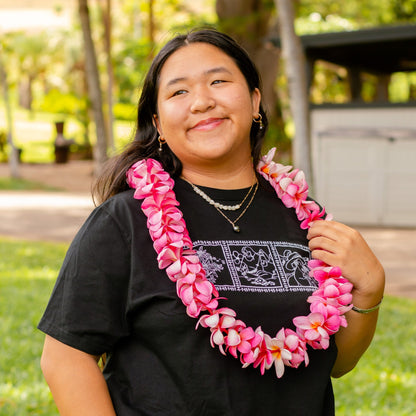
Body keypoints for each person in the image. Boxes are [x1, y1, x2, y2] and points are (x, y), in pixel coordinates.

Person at [38, 28, 385, 415]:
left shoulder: (305, 218)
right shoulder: (126, 221)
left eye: (218, 81)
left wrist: (368, 294)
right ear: (158, 122)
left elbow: (333, 363)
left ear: (255, 100)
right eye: (178, 92)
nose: (202, 101)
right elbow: (66, 357)